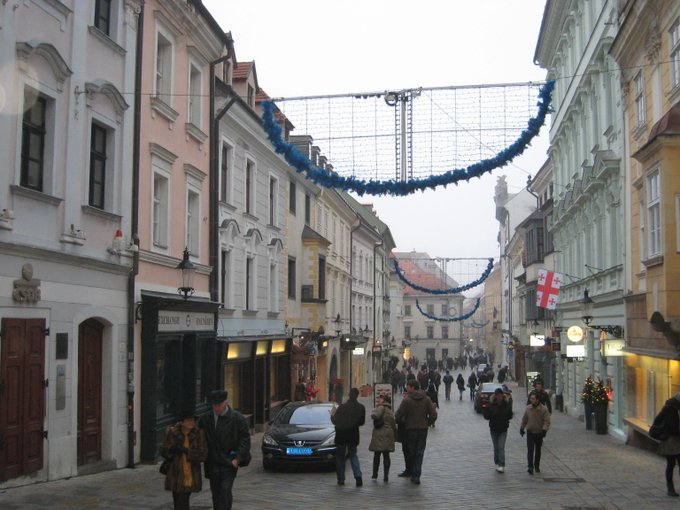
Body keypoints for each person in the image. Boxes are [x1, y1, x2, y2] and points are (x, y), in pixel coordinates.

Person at [199, 390, 251, 510]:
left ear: (226, 403)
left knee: (225, 490)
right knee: (216, 493)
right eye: (214, 405)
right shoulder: (206, 418)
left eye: (218, 405)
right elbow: (196, 434)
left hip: (228, 462)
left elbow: (245, 440)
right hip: (212, 463)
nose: (216, 408)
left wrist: (237, 459)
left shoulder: (237, 418)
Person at [159, 410, 208, 510]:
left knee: (183, 500)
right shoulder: (172, 432)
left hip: (190, 474)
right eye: (189, 420)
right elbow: (163, 450)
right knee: (177, 501)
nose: (192, 423)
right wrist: (171, 449)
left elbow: (203, 454)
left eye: (193, 420)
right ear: (182, 422)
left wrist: (186, 451)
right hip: (175, 473)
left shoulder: (199, 433)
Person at [395, 380, 438, 484]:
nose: (406, 389)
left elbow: (398, 415)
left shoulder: (407, 400)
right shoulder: (426, 399)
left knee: (412, 452)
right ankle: (416, 475)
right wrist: (427, 423)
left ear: (413, 388)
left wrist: (405, 421)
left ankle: (413, 472)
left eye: (408, 387)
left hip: (410, 429)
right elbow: (434, 414)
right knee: (419, 453)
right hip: (423, 430)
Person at [330, 387, 366, 486]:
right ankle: (358, 475)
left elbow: (335, 421)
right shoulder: (361, 407)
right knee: (353, 455)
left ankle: (341, 479)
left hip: (341, 435)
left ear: (349, 395)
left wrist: (332, 415)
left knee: (340, 457)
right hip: (353, 434)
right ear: (357, 395)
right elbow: (362, 422)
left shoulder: (341, 407)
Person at [652, 392, 680, 497]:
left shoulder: (675, 409)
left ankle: (671, 488)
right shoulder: (668, 409)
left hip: (677, 439)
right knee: (671, 464)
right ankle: (670, 488)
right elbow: (657, 421)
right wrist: (664, 433)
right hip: (670, 441)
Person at [520, 391, 551, 475]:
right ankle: (530, 467)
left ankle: (536, 465)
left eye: (533, 398)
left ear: (537, 400)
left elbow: (547, 421)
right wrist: (522, 428)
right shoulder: (528, 408)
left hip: (539, 432)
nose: (531, 400)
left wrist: (544, 430)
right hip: (530, 432)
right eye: (531, 398)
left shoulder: (543, 409)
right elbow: (524, 419)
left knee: (538, 450)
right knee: (530, 450)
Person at [483, 388, 513, 473]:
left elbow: (510, 415)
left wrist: (507, 416)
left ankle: (502, 464)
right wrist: (486, 411)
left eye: (500, 396)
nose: (499, 397)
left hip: (503, 429)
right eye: (497, 396)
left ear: (503, 396)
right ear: (495, 396)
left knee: (501, 447)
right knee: (496, 448)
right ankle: (497, 462)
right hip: (494, 429)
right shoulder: (491, 404)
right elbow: (486, 416)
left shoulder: (506, 404)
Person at [368, 394, 397, 482]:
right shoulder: (390, 410)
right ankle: (386, 476)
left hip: (379, 433)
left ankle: (375, 475)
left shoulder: (381, 408)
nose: (379, 400)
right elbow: (393, 424)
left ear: (384, 400)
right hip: (388, 434)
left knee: (377, 455)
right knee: (386, 455)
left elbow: (374, 415)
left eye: (380, 399)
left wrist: (375, 408)